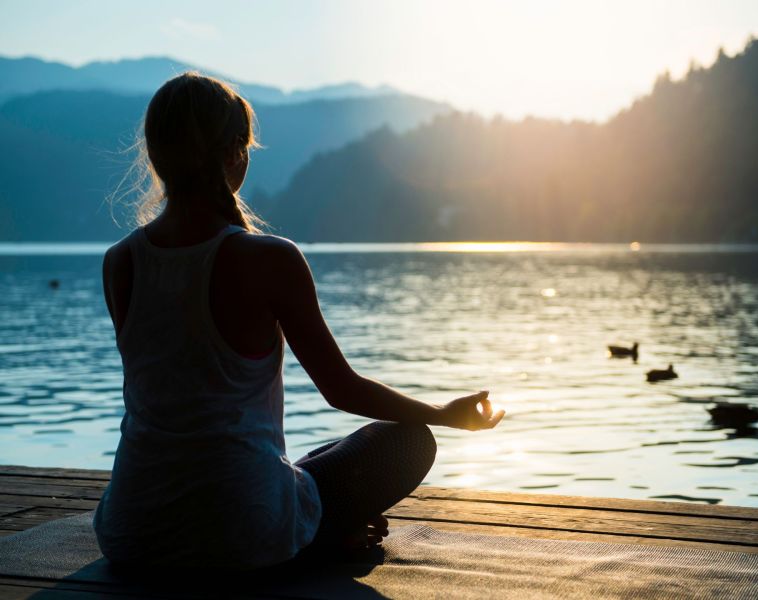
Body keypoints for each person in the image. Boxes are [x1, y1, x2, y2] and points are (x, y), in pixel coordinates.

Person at [93, 72, 505, 570]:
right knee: (407, 439)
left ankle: (317, 521)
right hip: (242, 532)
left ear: (157, 158)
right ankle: (323, 534)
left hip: (132, 533)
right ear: (234, 155)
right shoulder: (269, 257)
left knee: (318, 456)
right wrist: (442, 413)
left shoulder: (121, 262)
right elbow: (342, 390)